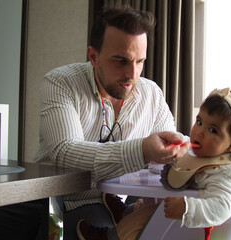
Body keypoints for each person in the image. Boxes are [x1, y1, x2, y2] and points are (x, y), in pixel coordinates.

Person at [33, 5, 190, 240]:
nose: (132, 74)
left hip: (122, 202)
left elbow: (169, 154)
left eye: (140, 61)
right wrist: (142, 149)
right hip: (66, 204)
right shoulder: (61, 83)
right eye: (121, 61)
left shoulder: (152, 94)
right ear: (93, 56)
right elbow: (65, 152)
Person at [76, 88, 231, 240]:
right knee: (146, 205)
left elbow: (222, 207)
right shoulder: (204, 155)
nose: (199, 132)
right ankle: (125, 213)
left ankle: (109, 237)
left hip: (187, 228)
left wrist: (187, 209)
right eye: (199, 122)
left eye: (213, 130)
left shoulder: (224, 172)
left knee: (154, 214)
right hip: (173, 215)